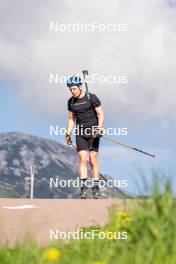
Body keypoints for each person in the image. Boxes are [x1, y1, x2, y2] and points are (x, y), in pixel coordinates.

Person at [65, 75, 104, 199]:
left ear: (80, 87)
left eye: (74, 89)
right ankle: (83, 188)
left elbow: (100, 113)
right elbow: (71, 119)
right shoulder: (71, 102)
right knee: (83, 158)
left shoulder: (91, 97)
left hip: (93, 132)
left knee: (93, 159)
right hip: (80, 133)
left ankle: (95, 187)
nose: (72, 91)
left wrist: (99, 127)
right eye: (70, 89)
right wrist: (68, 133)